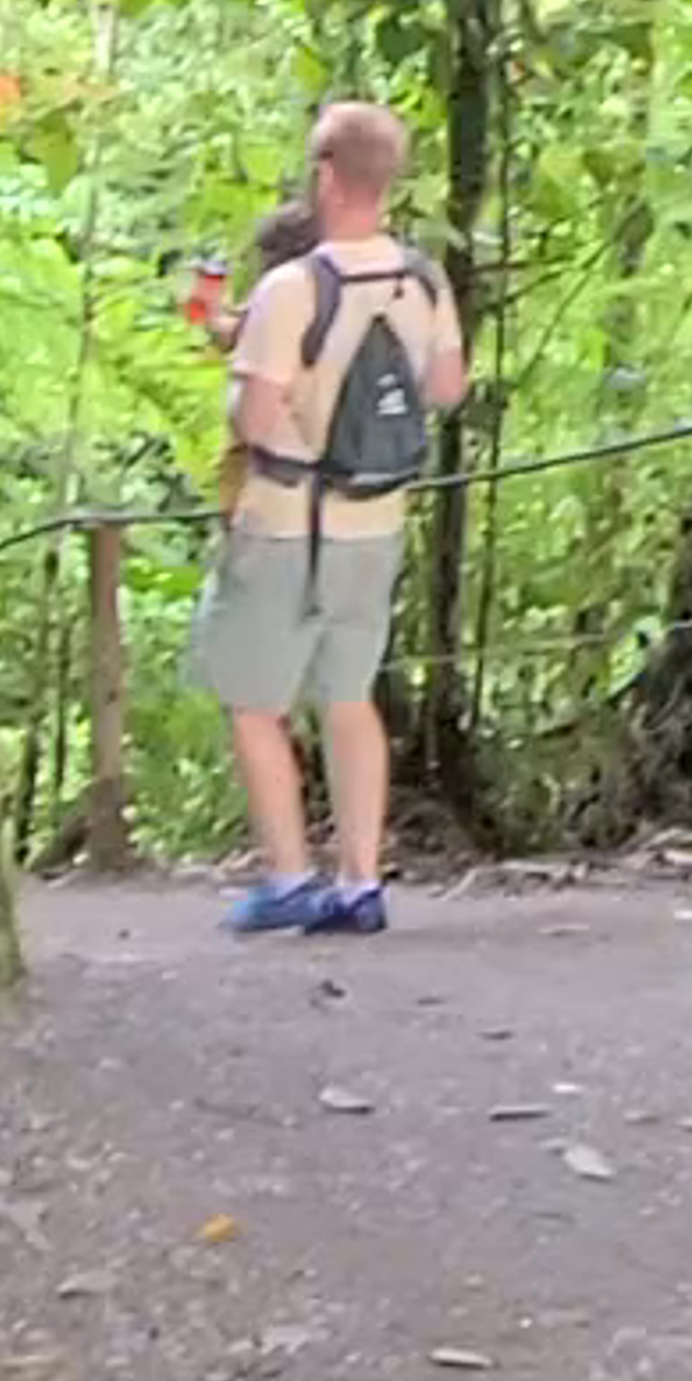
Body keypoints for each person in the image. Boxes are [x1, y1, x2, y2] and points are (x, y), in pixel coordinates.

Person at [184, 100, 466, 942]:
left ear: (324, 175)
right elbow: (446, 389)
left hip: (284, 524)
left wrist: (241, 363)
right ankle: (361, 882)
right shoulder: (421, 276)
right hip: (374, 523)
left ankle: (288, 876)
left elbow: (255, 415)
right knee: (349, 696)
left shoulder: (292, 285)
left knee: (252, 698)